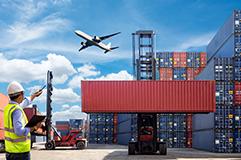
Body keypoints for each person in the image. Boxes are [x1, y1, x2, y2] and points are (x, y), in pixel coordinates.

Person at [4, 81, 43, 160]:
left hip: (10, 151)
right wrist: (34, 127)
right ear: (20, 95)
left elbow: (25, 103)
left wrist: (34, 95)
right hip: (20, 153)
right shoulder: (17, 110)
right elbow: (18, 131)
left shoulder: (9, 108)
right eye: (23, 94)